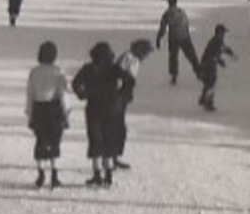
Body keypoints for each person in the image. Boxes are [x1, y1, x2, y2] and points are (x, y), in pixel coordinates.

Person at [71, 41, 134, 188]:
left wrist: (83, 94)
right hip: (112, 108)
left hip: (94, 107)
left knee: (96, 141)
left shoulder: (88, 69)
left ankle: (97, 175)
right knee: (109, 141)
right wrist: (122, 94)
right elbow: (130, 80)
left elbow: (75, 84)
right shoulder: (114, 69)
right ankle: (109, 176)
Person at [25, 41, 69, 189]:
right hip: (54, 108)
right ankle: (54, 175)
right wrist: (66, 111)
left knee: (41, 141)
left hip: (39, 108)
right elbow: (63, 93)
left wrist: (30, 113)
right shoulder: (58, 71)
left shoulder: (34, 72)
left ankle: (40, 174)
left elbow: (30, 93)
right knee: (55, 141)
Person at [111, 39, 154, 171]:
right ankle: (111, 157)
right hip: (117, 97)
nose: (146, 57)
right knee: (117, 127)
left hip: (122, 97)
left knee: (119, 127)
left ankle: (114, 156)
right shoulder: (128, 58)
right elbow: (118, 76)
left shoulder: (134, 60)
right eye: (145, 53)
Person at [154, 0, 200, 85]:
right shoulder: (181, 11)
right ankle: (199, 71)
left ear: (169, 2)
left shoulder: (167, 13)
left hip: (174, 37)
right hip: (184, 36)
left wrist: (158, 39)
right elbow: (186, 24)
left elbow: (163, 28)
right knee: (191, 55)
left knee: (173, 57)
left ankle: (174, 75)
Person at [197, 24, 237, 111]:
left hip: (207, 63)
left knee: (209, 82)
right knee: (211, 82)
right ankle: (208, 102)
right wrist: (220, 61)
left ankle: (203, 98)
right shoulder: (216, 41)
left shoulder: (218, 40)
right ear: (219, 33)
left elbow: (224, 48)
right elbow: (212, 54)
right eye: (223, 32)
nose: (224, 34)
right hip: (208, 64)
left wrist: (231, 53)